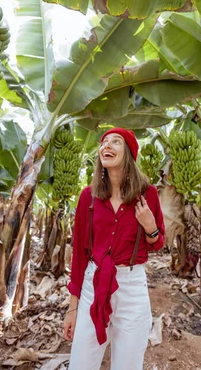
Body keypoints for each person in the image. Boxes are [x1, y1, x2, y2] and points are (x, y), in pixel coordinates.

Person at [63, 127, 166, 370]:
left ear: (129, 153)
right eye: (104, 142)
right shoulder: (88, 197)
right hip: (93, 284)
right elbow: (79, 254)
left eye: (116, 142)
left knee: (128, 365)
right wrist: (72, 307)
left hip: (132, 287)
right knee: (81, 364)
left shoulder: (146, 194)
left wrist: (150, 226)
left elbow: (158, 242)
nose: (107, 146)